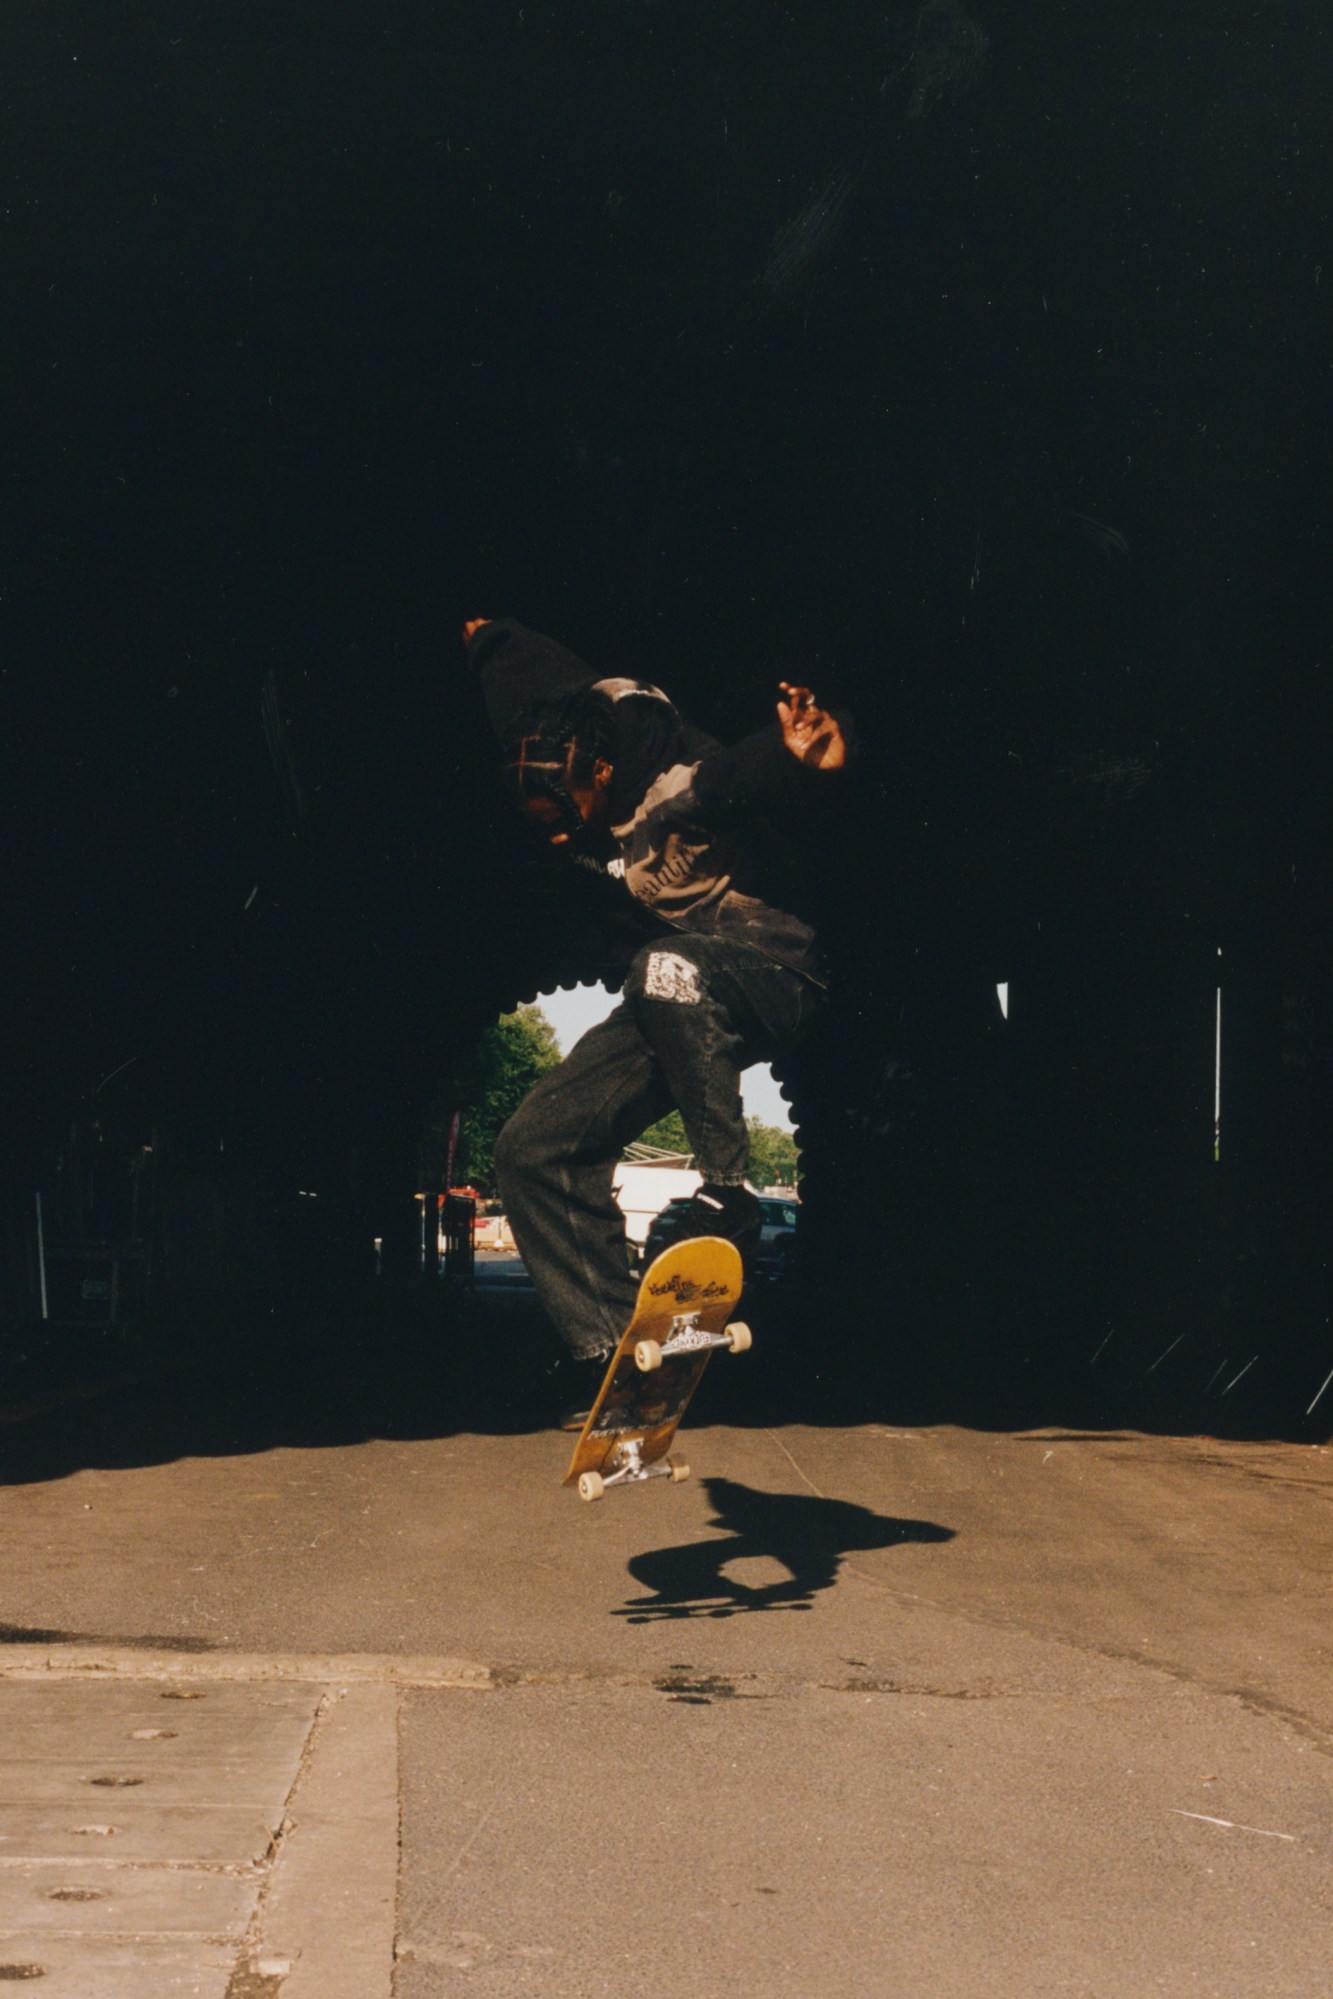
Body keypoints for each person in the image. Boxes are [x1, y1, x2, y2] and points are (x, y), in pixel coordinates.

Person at [463, 615, 852, 1423]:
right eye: (542, 822)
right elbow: (523, 675)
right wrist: (482, 633)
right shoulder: (550, 736)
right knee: (532, 1147)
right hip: (686, 999)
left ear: (602, 770)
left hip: (779, 971)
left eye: (567, 809)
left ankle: (727, 1191)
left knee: (662, 965)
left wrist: (796, 758)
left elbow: (738, 777)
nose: (561, 831)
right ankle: (613, 1357)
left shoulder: (676, 788)